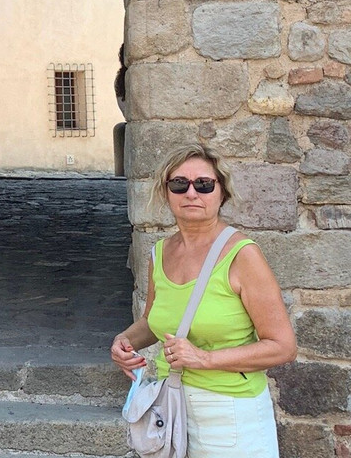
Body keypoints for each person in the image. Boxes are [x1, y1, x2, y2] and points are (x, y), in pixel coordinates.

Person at [109, 143, 297, 457]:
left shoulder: (242, 255)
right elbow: (153, 322)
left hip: (231, 416)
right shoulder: (160, 253)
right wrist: (124, 341)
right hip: (169, 410)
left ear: (221, 193)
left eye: (204, 184)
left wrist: (204, 359)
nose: (191, 193)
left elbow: (283, 346)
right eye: (179, 184)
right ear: (166, 193)